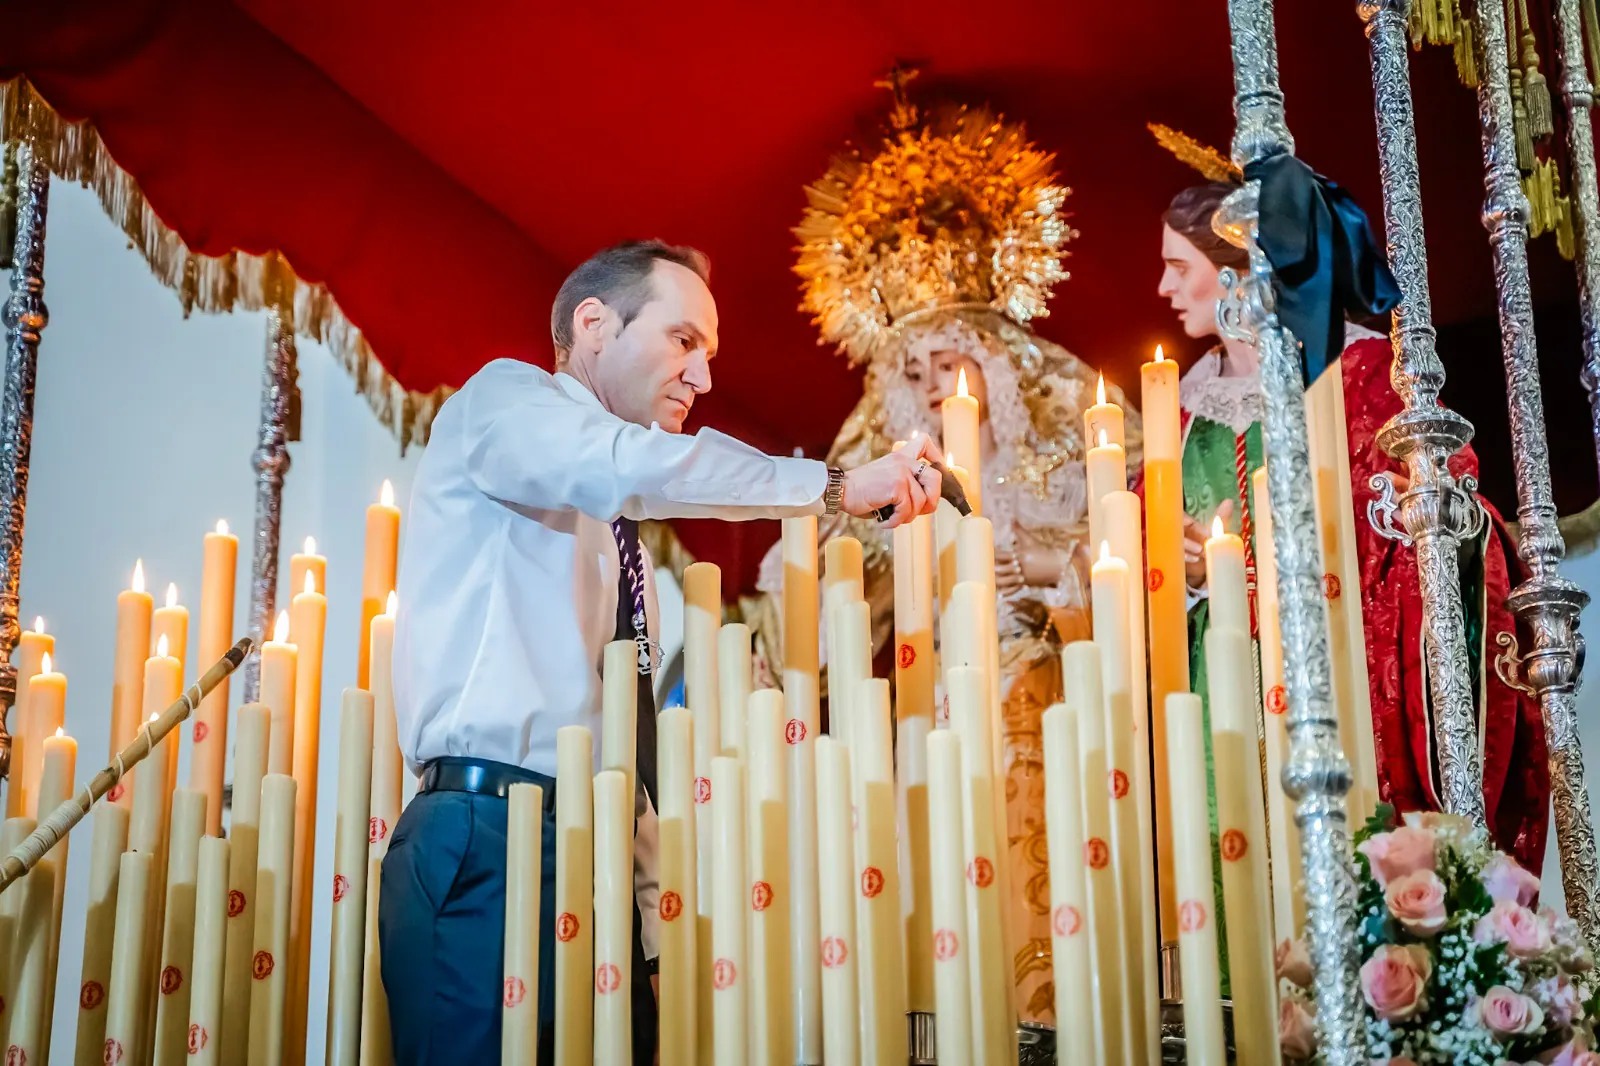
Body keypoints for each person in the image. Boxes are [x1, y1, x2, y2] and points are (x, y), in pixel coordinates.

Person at [379, 239, 942, 1066]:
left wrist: (644, 918)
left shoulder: (616, 529)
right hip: (488, 831)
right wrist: (834, 488)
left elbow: (623, 727)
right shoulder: (505, 403)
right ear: (595, 323)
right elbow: (623, 462)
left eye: (709, 355)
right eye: (684, 341)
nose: (703, 379)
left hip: (592, 848)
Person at [742, 91, 1142, 1023]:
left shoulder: (1069, 447)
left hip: (1048, 696)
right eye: (910, 375)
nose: (928, 390)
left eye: (947, 367)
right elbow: (830, 596)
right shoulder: (893, 484)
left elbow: (1140, 541)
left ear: (996, 361)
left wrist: (1034, 565)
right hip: (925, 705)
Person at [1157, 180, 1549, 879]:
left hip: (1341, 692)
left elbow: (1442, 508)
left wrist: (1420, 517)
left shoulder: (1364, 373)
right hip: (1221, 706)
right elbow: (1144, 549)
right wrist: (1181, 568)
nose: (1163, 287)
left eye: (1177, 266)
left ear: (1236, 270)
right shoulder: (1179, 416)